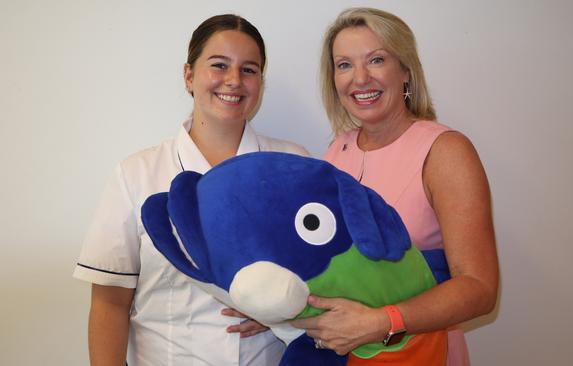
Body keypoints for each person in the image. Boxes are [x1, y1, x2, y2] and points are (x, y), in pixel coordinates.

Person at [73, 14, 308, 366]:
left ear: (260, 82)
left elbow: (327, 275)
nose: (234, 81)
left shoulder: (293, 164)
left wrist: (288, 314)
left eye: (249, 69)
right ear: (189, 76)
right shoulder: (137, 174)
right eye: (219, 65)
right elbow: (109, 304)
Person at [291, 7, 499, 365]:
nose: (359, 78)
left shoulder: (445, 151)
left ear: (405, 70)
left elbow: (480, 289)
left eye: (376, 60)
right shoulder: (336, 151)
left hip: (421, 353)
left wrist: (382, 322)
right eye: (344, 65)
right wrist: (274, 311)